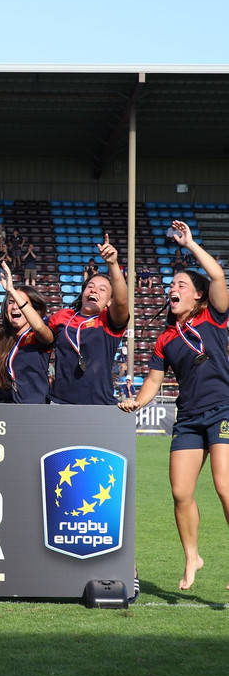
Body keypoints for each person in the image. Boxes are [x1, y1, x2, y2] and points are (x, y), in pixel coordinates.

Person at [119, 220, 229, 591]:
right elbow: (153, 380)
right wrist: (136, 402)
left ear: (198, 295)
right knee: (181, 493)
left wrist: (192, 244)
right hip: (189, 420)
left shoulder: (214, 316)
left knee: (224, 486)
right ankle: (192, 557)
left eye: (181, 285)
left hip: (223, 411)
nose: (173, 289)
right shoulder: (164, 337)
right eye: (171, 285)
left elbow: (216, 275)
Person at [48, 234, 128, 405]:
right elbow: (40, 339)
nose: (93, 291)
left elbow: (122, 301)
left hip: (98, 404)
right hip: (60, 403)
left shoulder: (107, 321)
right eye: (90, 287)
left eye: (102, 289)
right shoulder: (62, 317)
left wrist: (112, 264)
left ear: (109, 302)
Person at [0, 262, 54, 403]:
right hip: (2, 413)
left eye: (21, 302)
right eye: (10, 302)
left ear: (33, 310)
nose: (15, 306)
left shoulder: (41, 331)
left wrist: (11, 290)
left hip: (35, 410)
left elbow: (40, 327)